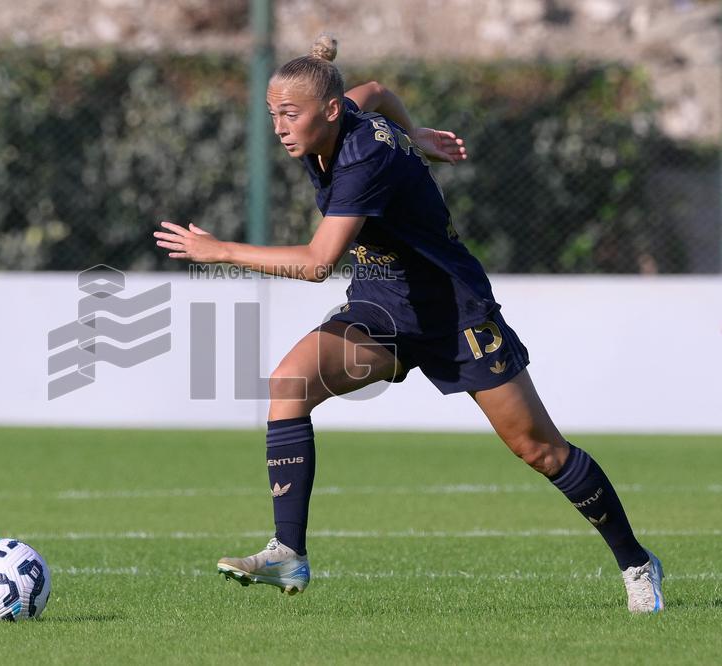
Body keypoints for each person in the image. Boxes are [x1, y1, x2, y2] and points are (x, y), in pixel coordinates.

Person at [153, 34, 663, 613]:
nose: (279, 128)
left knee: (540, 450)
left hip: (453, 311)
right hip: (383, 305)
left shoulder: (363, 160)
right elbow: (376, 90)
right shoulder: (343, 116)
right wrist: (415, 133)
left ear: (329, 110)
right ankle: (288, 551)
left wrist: (221, 251)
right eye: (273, 114)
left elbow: (318, 263)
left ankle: (637, 562)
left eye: (290, 114)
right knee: (289, 384)